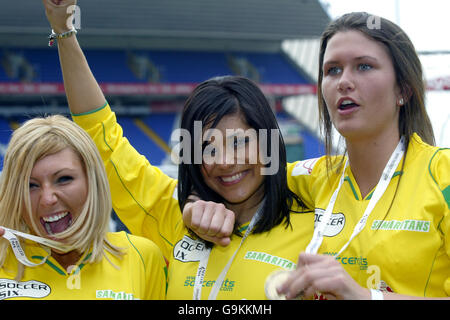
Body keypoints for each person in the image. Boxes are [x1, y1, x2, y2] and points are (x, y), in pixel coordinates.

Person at [42, 0, 314, 299]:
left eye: (239, 142)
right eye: (207, 147)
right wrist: (64, 31)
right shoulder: (171, 213)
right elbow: (101, 135)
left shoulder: (318, 223)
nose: (225, 161)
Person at [188, 12, 450, 300]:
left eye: (364, 66)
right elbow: (233, 178)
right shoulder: (309, 179)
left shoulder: (442, 175)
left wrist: (365, 296)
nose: (344, 82)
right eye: (332, 70)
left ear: (403, 89)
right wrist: (194, 208)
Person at [0, 115, 167, 300]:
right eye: (31, 185)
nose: (47, 199)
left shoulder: (142, 256)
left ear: (92, 181)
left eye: (64, 179)